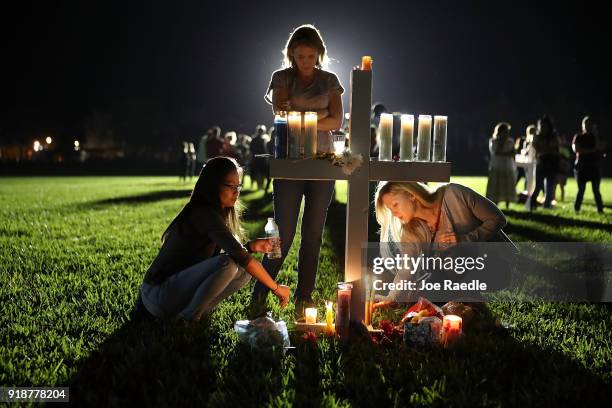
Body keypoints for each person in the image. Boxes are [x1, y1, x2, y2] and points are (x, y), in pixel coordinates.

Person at [250, 24, 344, 318]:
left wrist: (300, 116)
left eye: (310, 55)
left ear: (319, 54)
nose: (305, 61)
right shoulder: (281, 77)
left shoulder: (330, 80)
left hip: (322, 161)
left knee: (313, 234)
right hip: (289, 161)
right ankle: (261, 291)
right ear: (291, 54)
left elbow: (337, 121)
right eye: (300, 55)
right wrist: (319, 116)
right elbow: (281, 113)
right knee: (284, 234)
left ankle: (305, 296)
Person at [133, 157, 290, 323]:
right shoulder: (203, 213)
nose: (236, 191)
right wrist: (276, 288)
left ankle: (195, 313)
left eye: (239, 186)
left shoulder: (217, 213)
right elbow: (236, 258)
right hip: (157, 296)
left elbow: (226, 258)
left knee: (242, 271)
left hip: (174, 293)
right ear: (213, 184)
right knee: (230, 264)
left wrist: (251, 246)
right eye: (231, 186)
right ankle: (188, 320)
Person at [374, 181, 513, 301]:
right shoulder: (412, 230)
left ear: (411, 195)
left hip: (494, 264)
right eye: (390, 209)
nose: (394, 213)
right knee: (426, 288)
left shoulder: (454, 194)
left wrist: (465, 239)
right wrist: (391, 298)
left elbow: (498, 218)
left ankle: (471, 304)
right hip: (456, 276)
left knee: (439, 284)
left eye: (395, 205)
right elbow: (407, 269)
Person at [526, 115, 561, 210]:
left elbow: (557, 149)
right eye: (541, 125)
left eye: (544, 126)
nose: (542, 128)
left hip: (551, 162)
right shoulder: (537, 137)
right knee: (538, 186)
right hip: (541, 162)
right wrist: (540, 157)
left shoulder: (554, 137)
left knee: (549, 187)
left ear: (549, 127)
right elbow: (536, 150)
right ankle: (531, 205)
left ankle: (546, 206)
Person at [573, 116, 604, 213]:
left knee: (596, 190)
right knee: (581, 190)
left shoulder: (596, 137)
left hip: (594, 167)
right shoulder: (578, 137)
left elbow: (599, 148)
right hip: (582, 167)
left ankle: (600, 209)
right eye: (586, 124)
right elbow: (577, 150)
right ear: (583, 125)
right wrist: (592, 150)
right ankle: (577, 208)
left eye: (590, 124)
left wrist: (595, 136)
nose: (588, 126)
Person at [486, 122, 517, 209]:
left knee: (507, 185)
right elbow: (495, 152)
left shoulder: (510, 141)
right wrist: (502, 143)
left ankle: (507, 204)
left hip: (507, 166)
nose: (506, 133)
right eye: (505, 131)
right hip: (497, 166)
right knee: (496, 185)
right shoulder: (494, 141)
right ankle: (495, 204)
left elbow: (513, 152)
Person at [249, 124, 270, 191]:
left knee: (258, 173)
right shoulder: (262, 140)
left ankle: (258, 186)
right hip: (259, 159)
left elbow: (251, 150)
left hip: (258, 158)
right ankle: (259, 186)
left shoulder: (258, 139)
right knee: (259, 173)